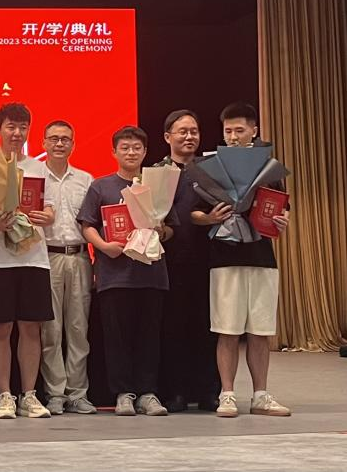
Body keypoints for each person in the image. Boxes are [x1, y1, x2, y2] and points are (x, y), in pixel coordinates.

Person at [193, 102, 291, 418]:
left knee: (261, 330)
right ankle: (228, 394)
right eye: (228, 131)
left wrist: (282, 222)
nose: (233, 136)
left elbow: (281, 208)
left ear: (254, 131)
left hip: (262, 257)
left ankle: (260, 395)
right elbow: (194, 213)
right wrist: (209, 218)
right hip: (224, 258)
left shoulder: (269, 168)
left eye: (239, 130)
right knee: (227, 329)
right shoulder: (211, 166)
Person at [78, 126, 172, 417]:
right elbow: (87, 225)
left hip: (152, 274)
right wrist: (104, 247)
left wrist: (161, 230)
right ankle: (123, 394)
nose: (131, 153)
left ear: (145, 152)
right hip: (114, 275)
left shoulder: (157, 188)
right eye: (125, 148)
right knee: (117, 338)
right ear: (114, 152)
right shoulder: (101, 186)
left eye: (136, 148)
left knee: (149, 337)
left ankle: (148, 393)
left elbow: (170, 230)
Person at [0, 103, 55, 420]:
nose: (17, 133)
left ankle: (29, 395)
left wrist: (44, 217)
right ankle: (5, 395)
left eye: (23, 127)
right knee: (1, 328)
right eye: (11, 126)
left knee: (31, 327)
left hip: (34, 259)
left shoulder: (39, 168)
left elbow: (50, 210)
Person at [156, 109, 219, 413]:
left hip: (208, 259)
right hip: (169, 262)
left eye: (194, 131)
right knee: (173, 327)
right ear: (167, 137)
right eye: (182, 131)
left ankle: (208, 391)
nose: (189, 136)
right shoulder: (156, 173)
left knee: (207, 326)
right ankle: (176, 391)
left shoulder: (212, 170)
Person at [37, 120, 97, 415]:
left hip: (79, 257)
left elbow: (93, 222)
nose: (59, 144)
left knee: (78, 329)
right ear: (44, 143)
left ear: (73, 144)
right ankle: (55, 393)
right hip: (47, 257)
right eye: (54, 139)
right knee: (50, 330)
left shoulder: (86, 180)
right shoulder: (34, 177)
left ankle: (77, 393)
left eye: (65, 139)